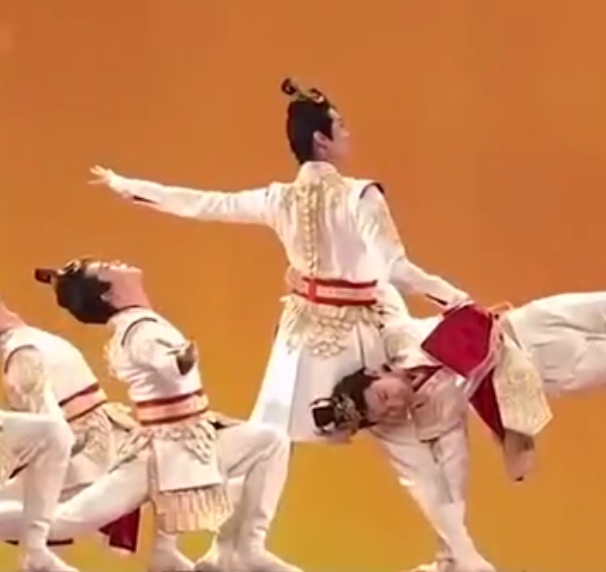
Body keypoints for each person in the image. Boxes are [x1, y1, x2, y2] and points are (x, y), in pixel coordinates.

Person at [87, 77, 470, 443]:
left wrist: (128, 187)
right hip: (362, 329)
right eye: (340, 125)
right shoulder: (360, 195)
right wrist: (455, 300)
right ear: (321, 140)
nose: (348, 133)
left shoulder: (278, 199)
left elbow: (205, 204)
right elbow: (397, 269)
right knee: (409, 421)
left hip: (302, 332)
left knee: (271, 434)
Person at [34, 257, 299, 572]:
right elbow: (164, 361)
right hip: (169, 446)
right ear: (108, 294)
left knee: (261, 451)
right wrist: (178, 360)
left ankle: (212, 549)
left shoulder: (137, 323)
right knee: (68, 519)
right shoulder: (140, 330)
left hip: (178, 439)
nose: (116, 263)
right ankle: (238, 548)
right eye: (107, 267)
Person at [312, 302, 495, 572]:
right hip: (426, 418)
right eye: (386, 409)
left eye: (385, 397)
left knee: (453, 479)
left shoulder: (394, 338)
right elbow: (425, 486)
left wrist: (452, 298)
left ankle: (455, 558)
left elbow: (388, 287)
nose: (394, 404)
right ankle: (456, 559)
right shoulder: (390, 424)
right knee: (440, 484)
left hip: (456, 358)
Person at [0, 297, 141, 556]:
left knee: (40, 519)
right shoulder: (42, 341)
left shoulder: (22, 357)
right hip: (105, 445)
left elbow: (52, 431)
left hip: (82, 458)